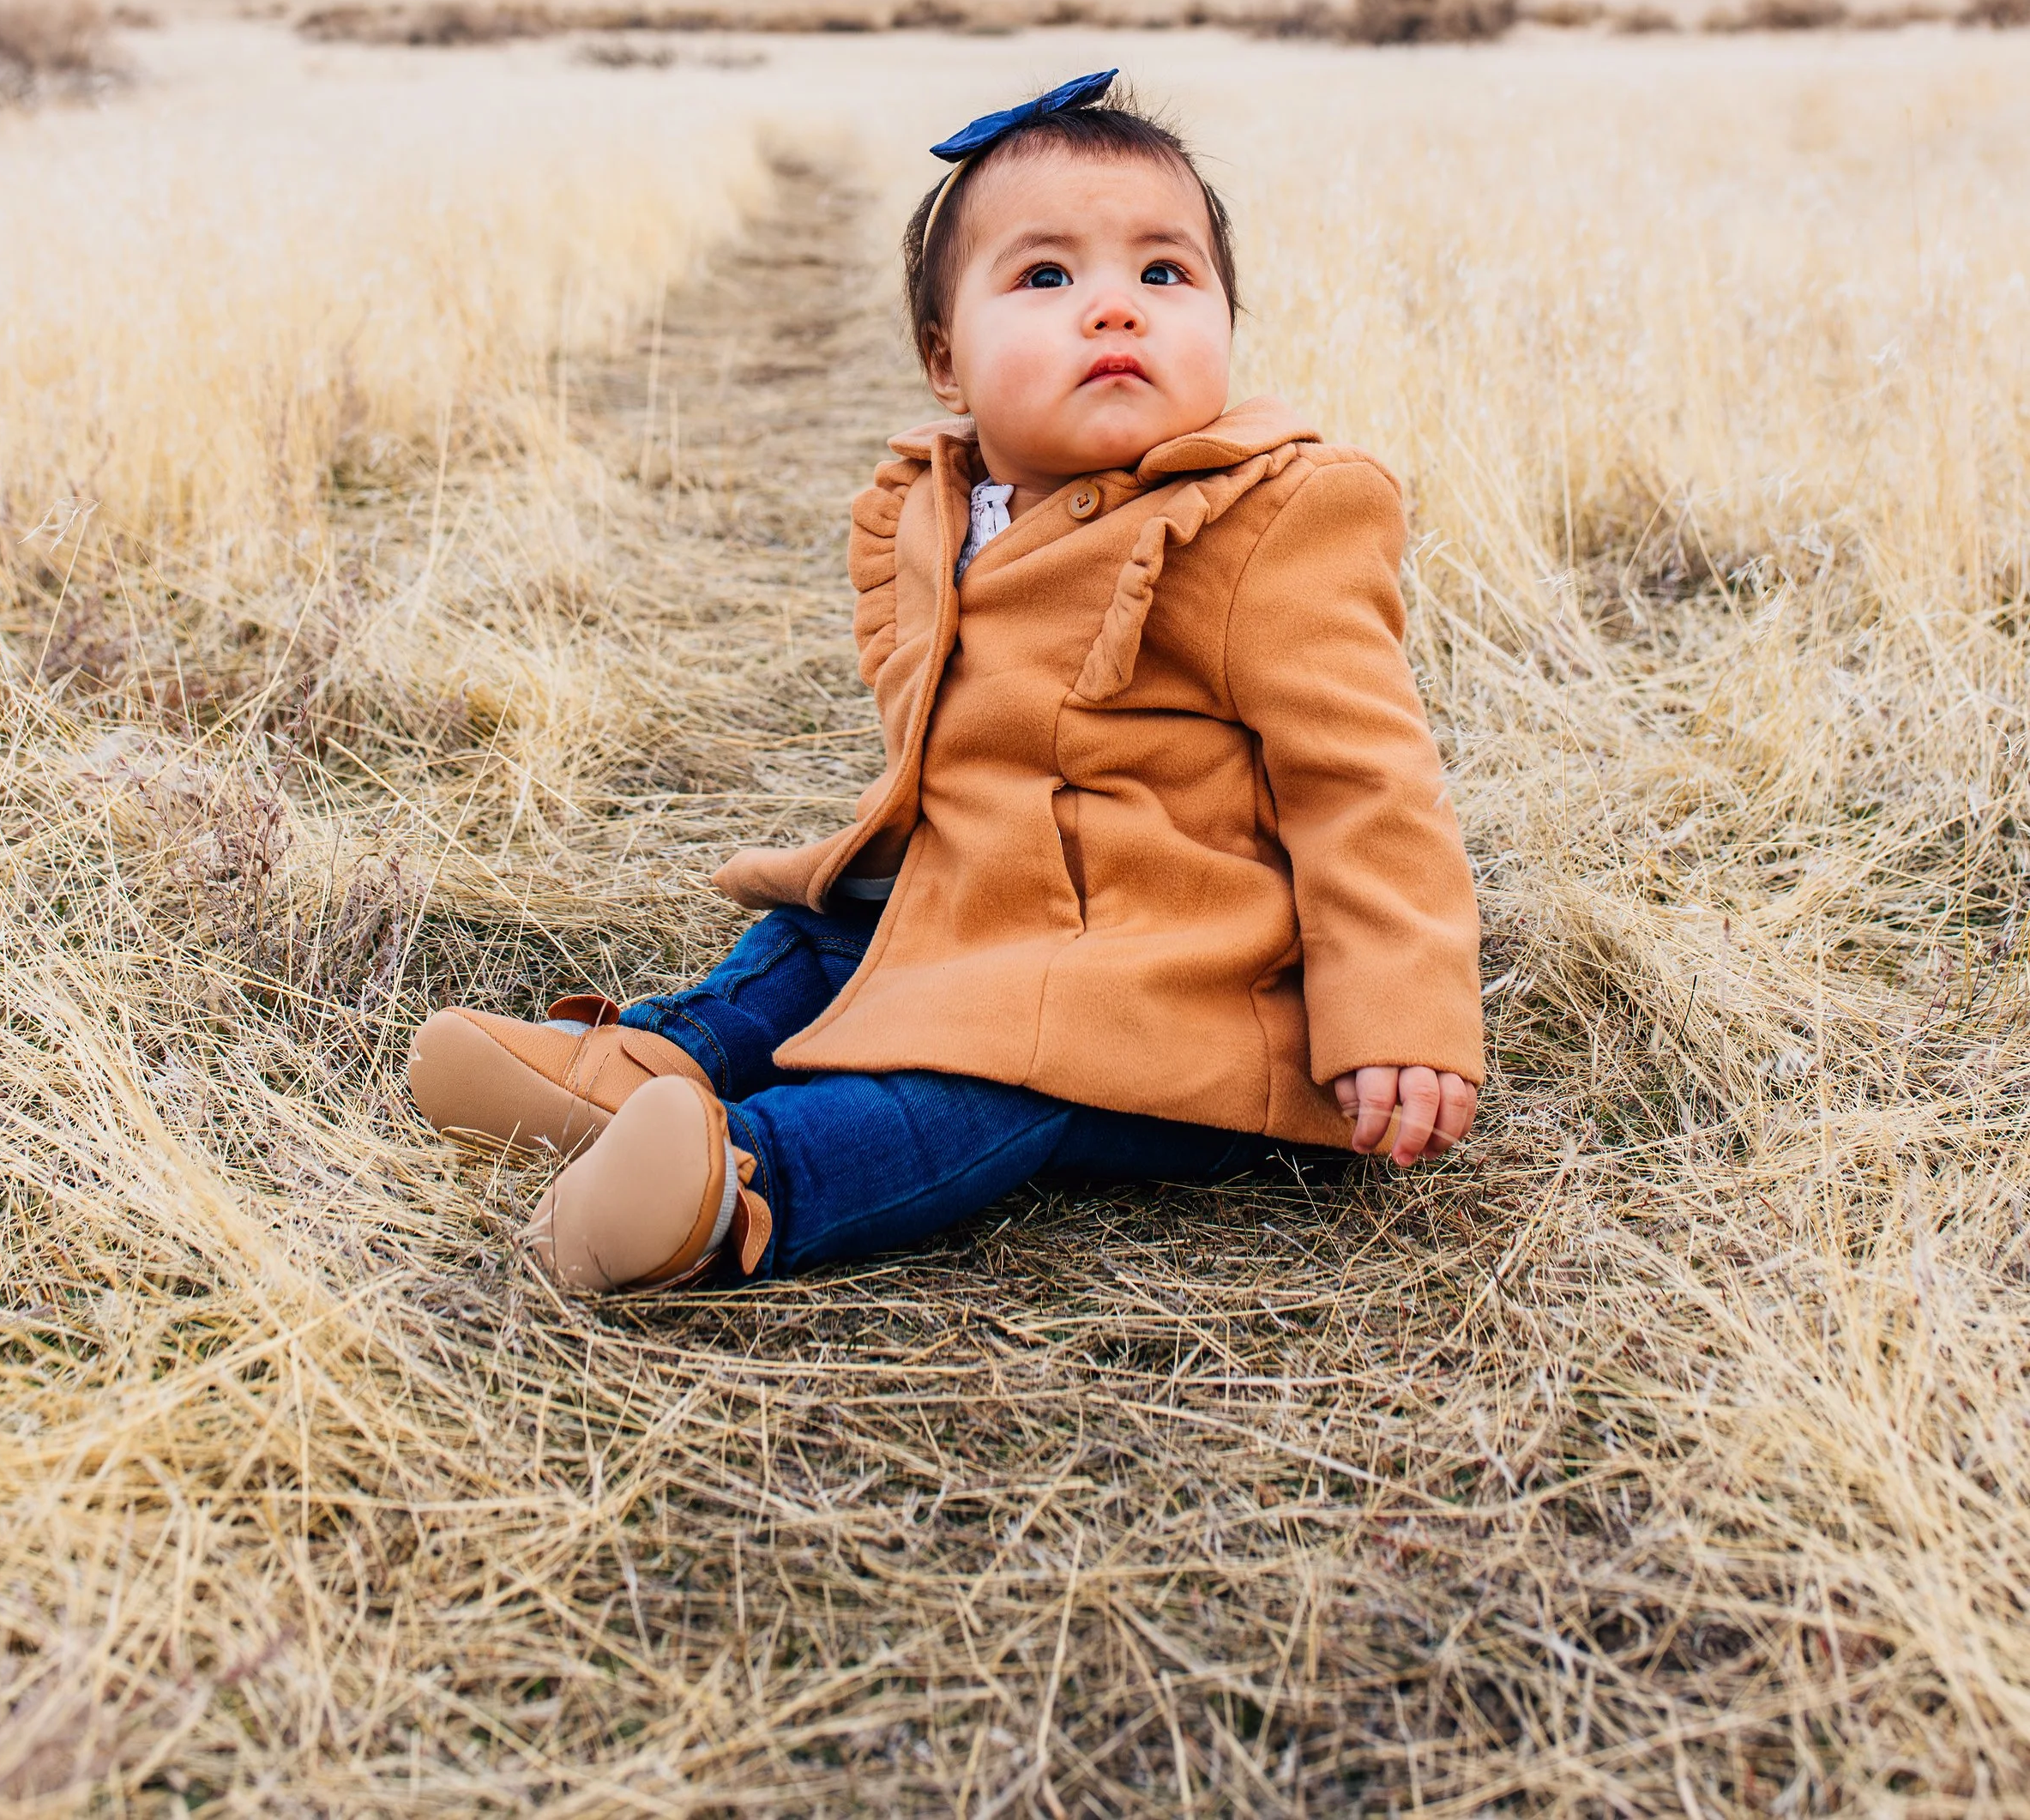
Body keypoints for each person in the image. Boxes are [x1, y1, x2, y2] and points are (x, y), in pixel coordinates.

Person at [408, 72, 1484, 1292]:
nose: (1115, 311)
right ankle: (649, 1064)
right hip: (982, 898)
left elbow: (1368, 781)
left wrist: (1400, 1013)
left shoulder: (1272, 517)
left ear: (1229, 322)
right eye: (1047, 277)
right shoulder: (931, 507)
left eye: (1165, 274)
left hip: (1159, 981)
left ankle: (731, 1187)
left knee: (983, 1065)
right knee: (828, 929)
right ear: (944, 357)